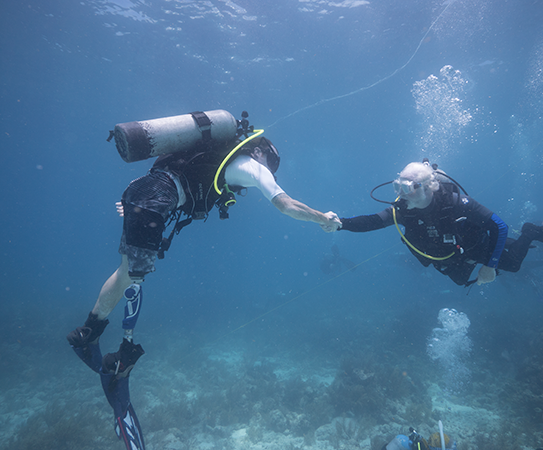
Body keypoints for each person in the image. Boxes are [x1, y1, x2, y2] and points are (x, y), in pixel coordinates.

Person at [67, 111, 341, 449]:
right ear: (262, 155)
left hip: (145, 191)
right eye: (269, 165)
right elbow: (284, 205)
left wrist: (144, 202)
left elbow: (170, 178)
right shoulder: (250, 166)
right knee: (134, 275)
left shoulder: (205, 155)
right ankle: (115, 355)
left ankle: (89, 332)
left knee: (127, 272)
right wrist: (321, 219)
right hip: (155, 200)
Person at [330, 160, 543, 287]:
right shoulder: (403, 208)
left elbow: (499, 226)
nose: (404, 193)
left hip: (477, 245)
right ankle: (470, 265)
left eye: (412, 186)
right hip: (451, 254)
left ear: (432, 186)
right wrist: (339, 223)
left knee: (512, 265)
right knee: (459, 281)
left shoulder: (456, 202)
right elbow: (372, 222)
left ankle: (531, 232)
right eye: (399, 185)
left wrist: (490, 267)